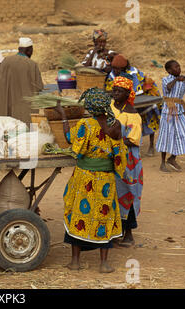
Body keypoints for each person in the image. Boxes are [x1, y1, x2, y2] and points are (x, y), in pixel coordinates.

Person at [55, 87, 127, 273]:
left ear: (90, 106)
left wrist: (63, 115)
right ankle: (103, 264)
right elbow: (120, 152)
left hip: (84, 177)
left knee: (79, 214)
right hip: (106, 180)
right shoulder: (116, 124)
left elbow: (70, 139)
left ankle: (75, 262)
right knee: (104, 215)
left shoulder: (85, 124)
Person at [106, 54, 162, 156]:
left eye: (117, 69)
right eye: (113, 68)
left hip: (143, 97)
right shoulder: (112, 74)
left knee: (149, 115)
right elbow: (110, 89)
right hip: (124, 98)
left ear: (124, 68)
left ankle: (150, 145)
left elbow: (137, 91)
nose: (115, 70)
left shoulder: (133, 73)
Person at [111, 76, 143, 247]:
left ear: (128, 93)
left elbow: (133, 140)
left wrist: (113, 142)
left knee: (127, 194)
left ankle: (129, 233)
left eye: (119, 91)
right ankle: (117, 231)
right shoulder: (111, 107)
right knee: (113, 193)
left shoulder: (133, 115)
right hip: (113, 156)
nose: (115, 93)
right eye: (114, 89)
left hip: (128, 160)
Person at [0, 37, 44, 124]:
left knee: (8, 130)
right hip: (26, 109)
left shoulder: (6, 61)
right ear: (29, 50)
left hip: (7, 108)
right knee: (28, 131)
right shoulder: (32, 64)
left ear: (19, 49)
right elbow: (39, 87)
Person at [156, 60, 185, 172]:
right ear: (169, 70)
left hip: (179, 112)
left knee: (182, 135)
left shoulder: (183, 81)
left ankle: (172, 158)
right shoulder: (166, 80)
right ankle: (162, 163)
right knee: (166, 136)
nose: (179, 69)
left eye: (179, 66)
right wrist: (176, 80)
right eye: (176, 67)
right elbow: (168, 88)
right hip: (168, 112)